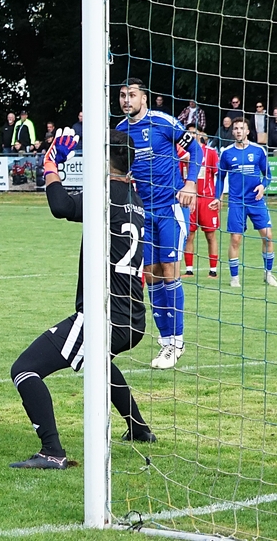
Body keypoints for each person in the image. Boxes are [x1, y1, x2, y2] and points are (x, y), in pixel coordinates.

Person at [9, 130, 155, 468]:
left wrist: (51, 164)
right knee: (100, 363)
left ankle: (52, 452)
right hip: (134, 316)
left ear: (104, 158)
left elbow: (60, 206)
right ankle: (139, 429)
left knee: (24, 369)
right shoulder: (133, 198)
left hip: (104, 316)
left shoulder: (106, 196)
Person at [117, 78, 202, 370]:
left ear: (144, 98)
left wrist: (190, 183)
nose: (126, 100)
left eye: (132, 95)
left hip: (170, 208)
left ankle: (177, 341)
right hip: (143, 211)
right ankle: (166, 341)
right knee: (151, 276)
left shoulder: (163, 123)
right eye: (122, 95)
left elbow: (196, 150)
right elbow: (120, 167)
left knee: (169, 271)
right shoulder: (120, 131)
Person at [212, 118, 277, 288]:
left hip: (256, 201)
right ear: (232, 132)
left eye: (242, 128)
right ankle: (234, 278)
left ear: (247, 131)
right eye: (236, 128)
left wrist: (263, 186)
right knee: (235, 239)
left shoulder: (258, 150)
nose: (238, 131)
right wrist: (217, 197)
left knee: (268, 236)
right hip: (236, 202)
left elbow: (268, 175)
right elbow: (220, 177)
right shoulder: (226, 153)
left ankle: (268, 273)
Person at [183, 130, 220, 279]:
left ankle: (213, 271)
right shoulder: (181, 153)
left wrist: (218, 198)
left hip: (206, 199)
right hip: (189, 199)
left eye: (194, 132)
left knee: (210, 235)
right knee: (189, 235)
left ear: (201, 135)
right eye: (188, 132)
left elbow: (218, 176)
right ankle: (189, 270)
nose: (191, 135)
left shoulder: (210, 152)